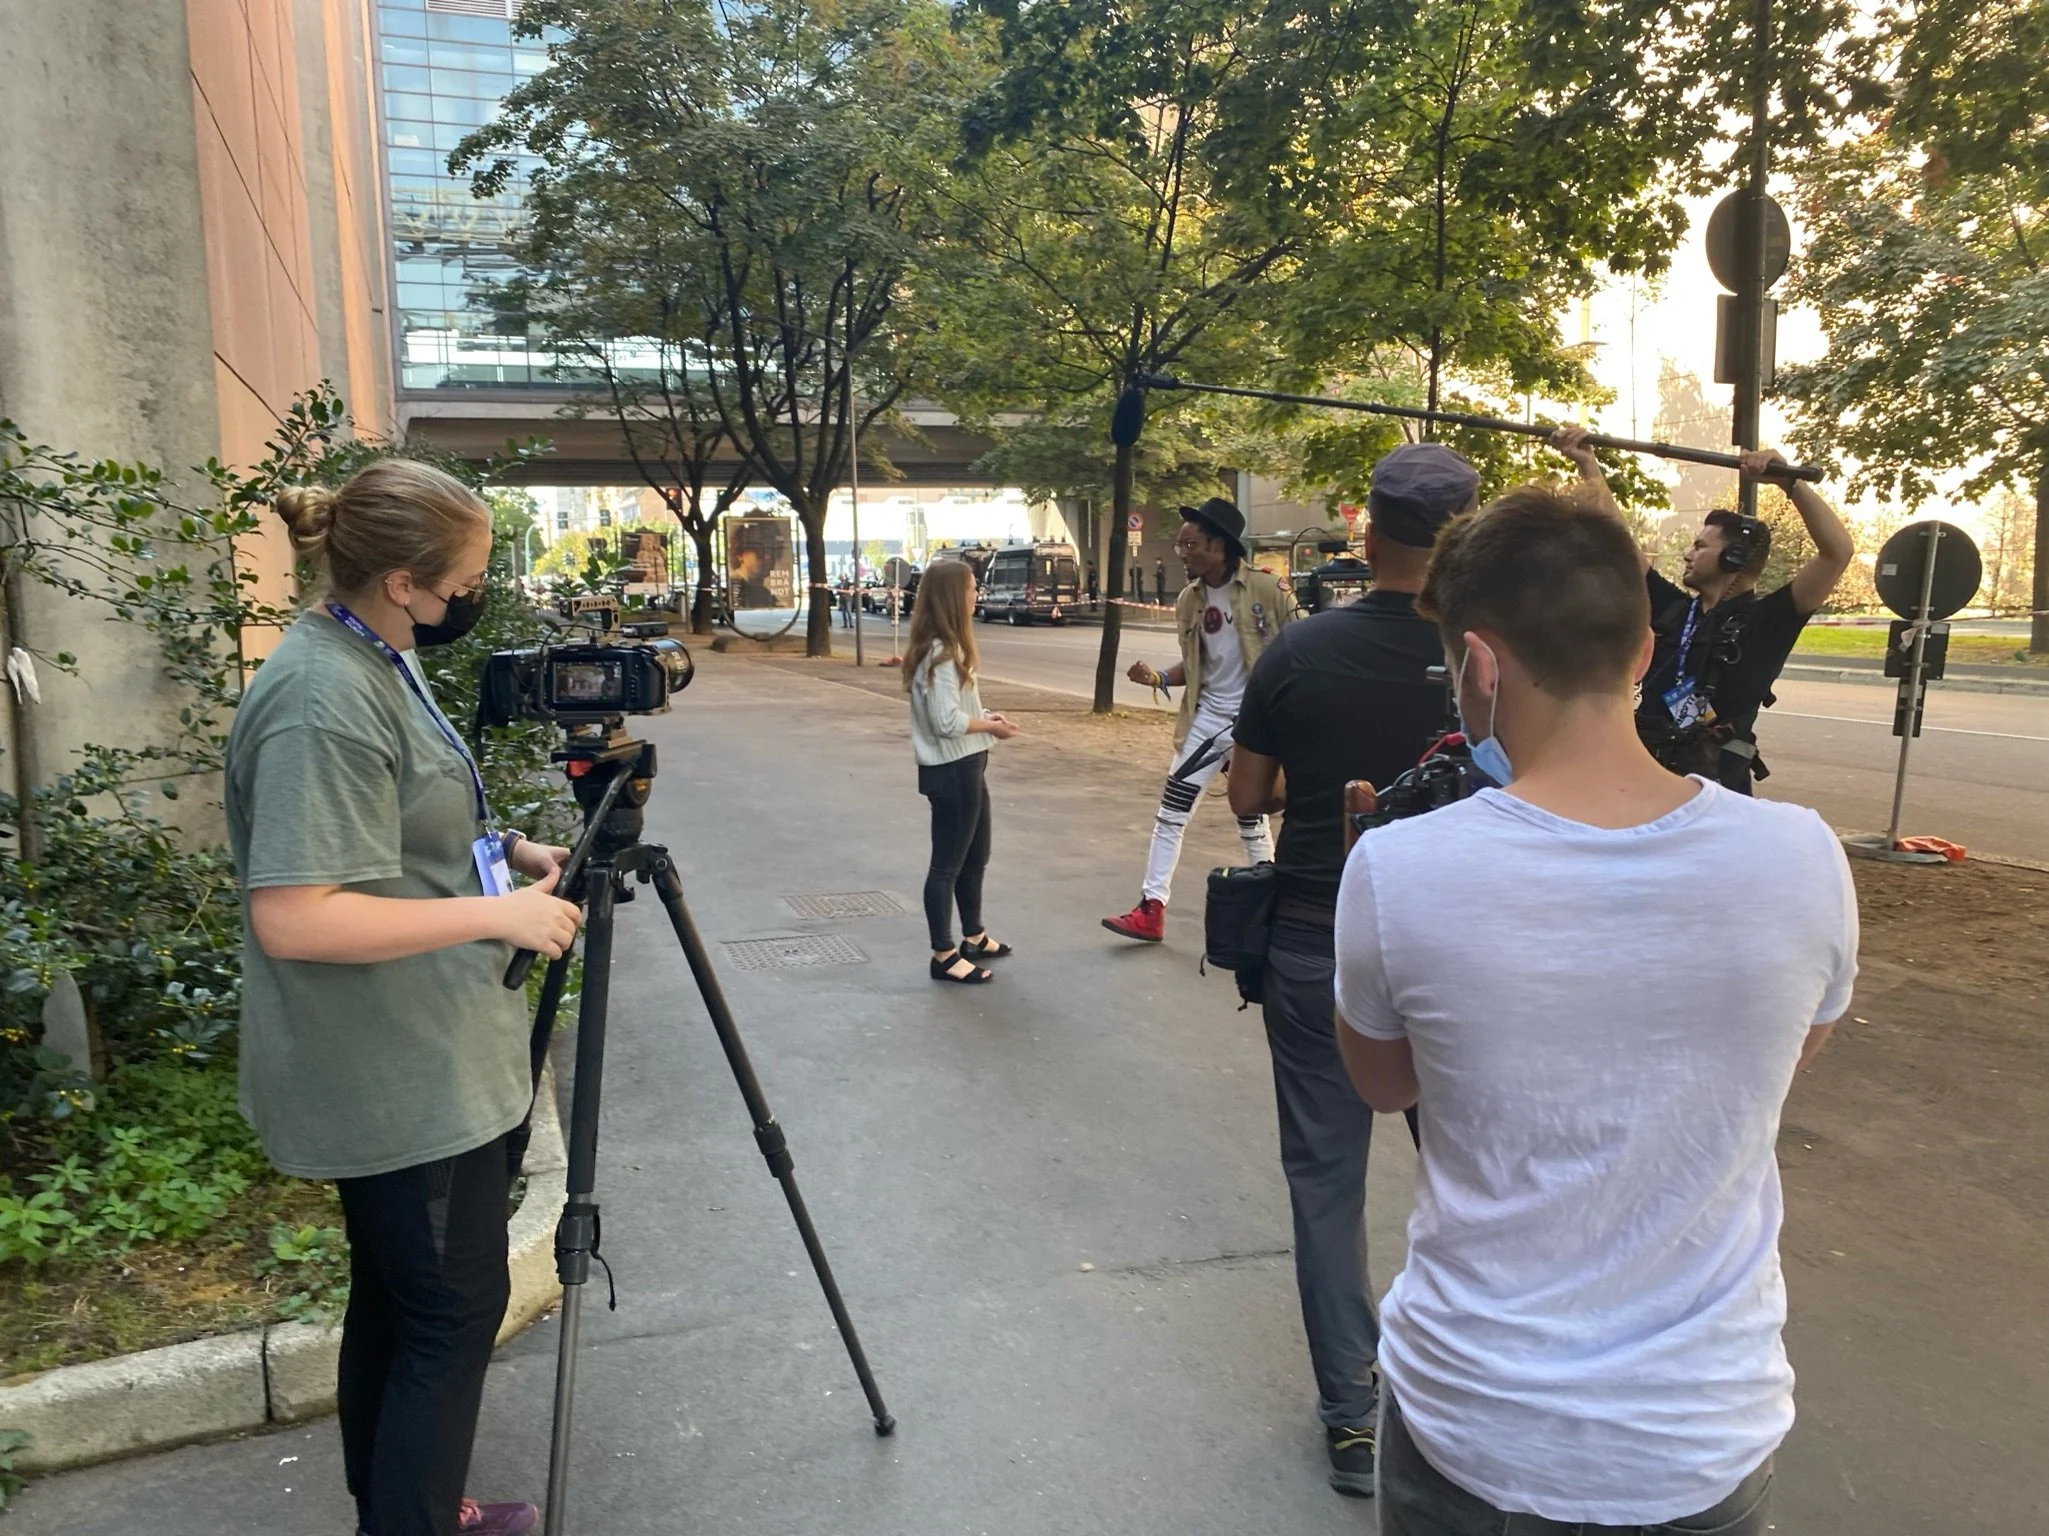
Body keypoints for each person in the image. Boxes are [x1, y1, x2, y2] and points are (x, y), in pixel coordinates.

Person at [1333, 481, 1857, 1533]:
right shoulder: (1803, 856)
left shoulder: (1397, 869)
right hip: (1700, 1433)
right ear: (1643, 652)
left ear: (1477, 666)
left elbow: (1387, 1085)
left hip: (1475, 1422)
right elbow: (1774, 1066)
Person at [226, 460, 587, 1536]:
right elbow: (294, 913)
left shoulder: (372, 653)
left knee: (401, 1300)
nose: (470, 599)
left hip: (427, 1051)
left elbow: (397, 826)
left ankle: (409, 1506)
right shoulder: (320, 699)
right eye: (464, 581)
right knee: (447, 1311)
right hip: (394, 1075)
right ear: (400, 580)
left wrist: (501, 852)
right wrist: (494, 918)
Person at [1226, 442, 1477, 1496]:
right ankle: (1468, 1398)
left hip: (1317, 940)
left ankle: (1351, 1417)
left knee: (1325, 1183)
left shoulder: (1300, 652)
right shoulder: (1491, 657)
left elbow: (1244, 797)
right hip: (1463, 948)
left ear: (1367, 532)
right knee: (1474, 1178)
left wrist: (1312, 784)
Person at [1553, 428, 1853, 793]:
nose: (1687, 554)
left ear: (1734, 557)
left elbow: (1837, 553)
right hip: (1645, 782)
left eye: (1700, 546)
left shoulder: (1768, 621)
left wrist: (1791, 483)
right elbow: (1618, 543)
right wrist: (1588, 464)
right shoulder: (1674, 611)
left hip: (1718, 792)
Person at [1103, 498, 1297, 943]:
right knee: (1171, 814)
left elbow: (1299, 647)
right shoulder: (1189, 601)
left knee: (1252, 817)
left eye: (1190, 545)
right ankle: (1152, 909)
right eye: (1179, 546)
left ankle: (1272, 904)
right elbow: (1196, 666)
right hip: (1207, 722)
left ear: (1220, 546)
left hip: (1257, 728)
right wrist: (1155, 678)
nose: (1183, 553)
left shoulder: (1268, 591)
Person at [904, 558, 1019, 984]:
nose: (977, 595)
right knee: (947, 865)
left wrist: (985, 715)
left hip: (968, 764)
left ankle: (974, 935)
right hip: (952, 771)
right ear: (955, 596)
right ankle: (944, 954)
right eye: (972, 588)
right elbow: (946, 723)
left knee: (976, 855)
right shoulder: (941, 654)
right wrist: (991, 726)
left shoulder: (948, 649)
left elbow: (955, 712)